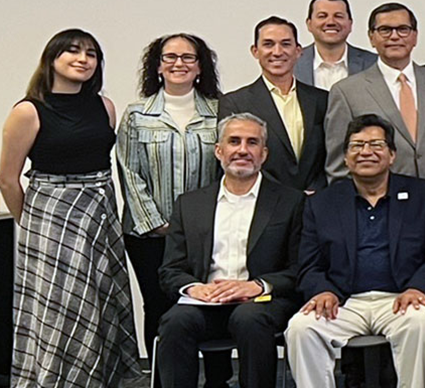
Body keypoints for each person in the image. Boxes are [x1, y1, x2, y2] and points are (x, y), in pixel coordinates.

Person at [1, 29, 138, 385]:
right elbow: (7, 179)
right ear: (52, 59)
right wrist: (32, 225)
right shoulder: (28, 111)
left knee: (103, 299)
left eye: (91, 53)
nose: (83, 59)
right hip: (51, 217)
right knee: (62, 307)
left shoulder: (105, 106)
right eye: (73, 51)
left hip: (99, 213)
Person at [287, 114, 425, 388]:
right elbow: (308, 263)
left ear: (392, 155)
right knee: (301, 328)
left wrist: (418, 288)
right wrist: (322, 291)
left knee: (421, 322)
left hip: (402, 298)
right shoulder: (322, 203)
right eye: (356, 146)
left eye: (376, 145)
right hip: (343, 301)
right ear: (346, 158)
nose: (366, 152)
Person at [154, 113, 305, 388]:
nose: (243, 150)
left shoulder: (290, 202)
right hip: (204, 303)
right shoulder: (190, 204)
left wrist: (258, 286)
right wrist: (193, 288)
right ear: (219, 151)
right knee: (175, 322)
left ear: (264, 153)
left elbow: (300, 269)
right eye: (234, 142)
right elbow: (170, 269)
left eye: (252, 142)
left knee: (250, 319)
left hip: (261, 304)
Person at [117, 32, 222, 355]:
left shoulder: (220, 112)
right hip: (149, 236)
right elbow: (128, 172)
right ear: (158, 67)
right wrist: (158, 223)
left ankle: (216, 378)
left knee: (209, 303)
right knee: (159, 306)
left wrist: (205, 222)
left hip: (206, 233)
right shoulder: (137, 115)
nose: (179, 63)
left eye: (188, 57)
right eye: (170, 57)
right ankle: (163, 379)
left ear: (200, 66)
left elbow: (226, 172)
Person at [324, 2, 425, 193]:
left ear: (415, 36)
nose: (394, 36)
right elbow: (339, 167)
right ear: (371, 38)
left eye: (403, 29)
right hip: (378, 210)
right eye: (385, 30)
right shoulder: (347, 92)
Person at [220, 16, 329, 191]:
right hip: (264, 204)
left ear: (298, 51)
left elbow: (330, 154)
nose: (277, 52)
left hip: (316, 201)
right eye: (268, 44)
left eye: (285, 44)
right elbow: (233, 160)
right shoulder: (235, 103)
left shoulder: (322, 100)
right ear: (255, 51)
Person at [296, 0, 377, 90]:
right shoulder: (292, 62)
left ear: (350, 24)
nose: (330, 22)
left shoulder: (374, 64)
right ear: (309, 24)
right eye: (322, 16)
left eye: (338, 16)